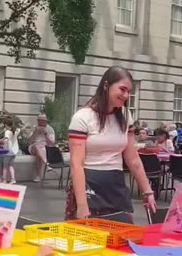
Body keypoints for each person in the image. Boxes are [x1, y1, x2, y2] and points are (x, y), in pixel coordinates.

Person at [65, 66, 156, 223]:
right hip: (88, 184)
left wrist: (147, 191)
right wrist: (81, 205)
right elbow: (76, 164)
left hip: (116, 183)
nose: (126, 95)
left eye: (128, 91)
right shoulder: (82, 118)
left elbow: (132, 157)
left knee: (122, 239)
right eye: (122, 89)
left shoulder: (125, 116)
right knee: (88, 241)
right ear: (106, 86)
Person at [28, 114, 56, 183]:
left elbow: (52, 143)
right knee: (37, 146)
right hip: (33, 147)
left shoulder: (50, 129)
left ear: (46, 121)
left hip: (45, 148)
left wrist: (46, 134)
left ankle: (39, 176)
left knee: (40, 153)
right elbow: (30, 141)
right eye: (40, 121)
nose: (41, 123)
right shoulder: (34, 128)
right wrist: (35, 132)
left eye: (43, 121)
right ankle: (46, 163)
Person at [0, 117, 20, 184]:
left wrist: (3, 148)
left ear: (5, 125)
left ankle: (4, 180)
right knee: (11, 165)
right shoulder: (15, 131)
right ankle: (13, 179)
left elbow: (6, 140)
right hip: (14, 151)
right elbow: (19, 130)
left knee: (5, 166)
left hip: (8, 151)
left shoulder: (7, 132)